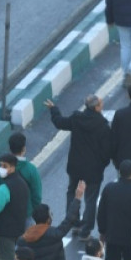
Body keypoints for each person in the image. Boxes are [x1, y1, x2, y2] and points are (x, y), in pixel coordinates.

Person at [44, 95, 111, 238]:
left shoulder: (77, 118)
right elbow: (107, 151)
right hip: (93, 170)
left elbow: (60, 122)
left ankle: (73, 223)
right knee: (91, 199)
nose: (102, 104)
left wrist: (54, 109)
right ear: (96, 107)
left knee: (72, 193)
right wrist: (102, 164)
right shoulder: (103, 126)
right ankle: (85, 231)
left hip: (75, 167)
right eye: (101, 103)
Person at [0, 133, 42, 220]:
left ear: (9, 148)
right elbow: (37, 195)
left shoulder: (0, 169)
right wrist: (32, 210)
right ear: (24, 149)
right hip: (25, 214)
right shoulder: (31, 169)